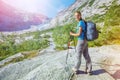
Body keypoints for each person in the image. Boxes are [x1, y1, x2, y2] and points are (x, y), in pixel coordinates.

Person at [70, 11, 92, 75]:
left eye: (77, 16)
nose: (75, 17)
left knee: (78, 55)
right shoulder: (83, 22)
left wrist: (72, 34)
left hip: (81, 41)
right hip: (85, 40)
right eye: (75, 16)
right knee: (86, 55)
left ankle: (76, 69)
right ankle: (89, 70)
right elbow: (81, 32)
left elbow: (79, 34)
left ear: (80, 16)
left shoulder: (80, 23)